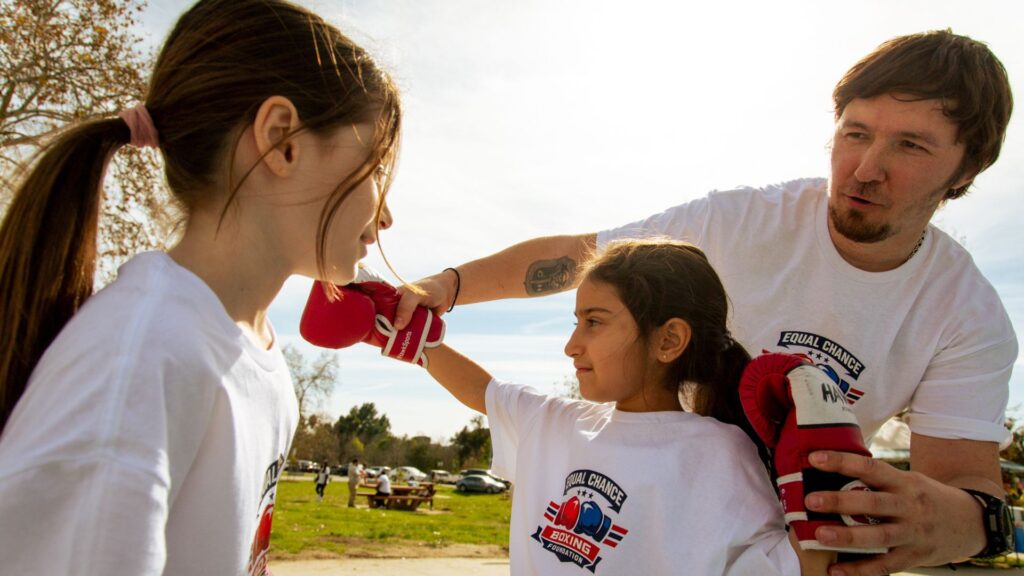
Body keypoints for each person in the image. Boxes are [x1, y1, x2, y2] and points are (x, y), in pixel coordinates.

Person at [395, 30, 1016, 574]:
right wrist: (444, 289)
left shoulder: (967, 316)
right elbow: (585, 255)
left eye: (912, 146)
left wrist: (935, 525)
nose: (865, 169)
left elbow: (965, 487)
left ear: (968, 167)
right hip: (648, 514)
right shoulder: (741, 221)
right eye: (855, 134)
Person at [0, 1, 401, 574]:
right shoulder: (139, 362)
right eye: (377, 166)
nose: (386, 215)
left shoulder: (251, 351)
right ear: (281, 140)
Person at [372, 239, 835, 574]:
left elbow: (789, 567)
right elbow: (485, 392)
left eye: (594, 322)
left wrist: (822, 474)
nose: (572, 345)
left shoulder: (720, 454)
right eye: (576, 321)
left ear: (669, 340)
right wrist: (400, 331)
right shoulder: (555, 423)